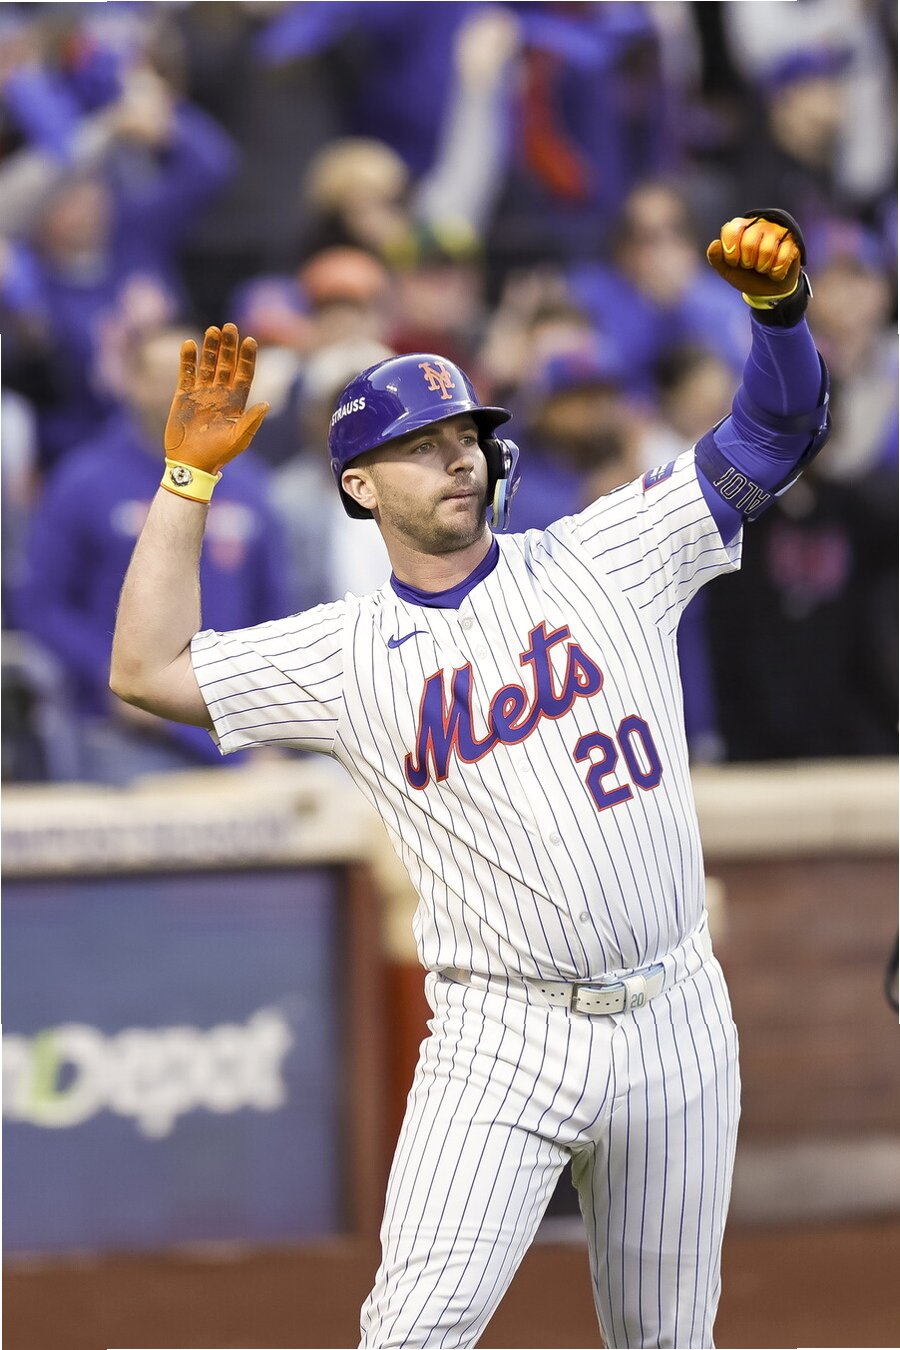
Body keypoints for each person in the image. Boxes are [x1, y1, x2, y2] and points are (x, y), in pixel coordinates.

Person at [110, 211, 831, 1348]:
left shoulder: (609, 552)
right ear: (359, 488)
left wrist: (780, 316)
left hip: (676, 1014)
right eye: (422, 443)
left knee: (667, 1340)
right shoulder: (344, 653)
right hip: (501, 1037)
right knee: (413, 1334)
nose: (457, 456)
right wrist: (187, 480)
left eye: (466, 434)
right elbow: (146, 669)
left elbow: (779, 428)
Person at [18, 323, 289, 784]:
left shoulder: (249, 485)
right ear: (131, 381)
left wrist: (272, 716)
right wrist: (111, 672)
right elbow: (39, 604)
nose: (181, 391)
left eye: (193, 376)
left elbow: (275, 608)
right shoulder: (83, 480)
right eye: (167, 376)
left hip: (229, 723)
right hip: (123, 729)